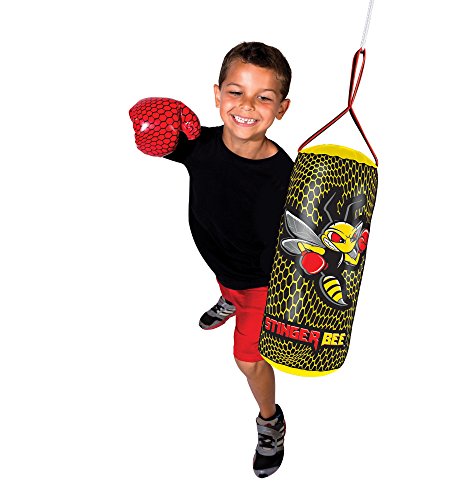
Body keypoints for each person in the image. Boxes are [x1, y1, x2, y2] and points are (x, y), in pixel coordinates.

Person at [129, 41, 293, 478]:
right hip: (221, 264)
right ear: (217, 95)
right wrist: (159, 120)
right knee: (227, 281)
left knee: (248, 361)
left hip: (263, 284)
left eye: (264, 97)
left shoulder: (287, 176)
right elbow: (152, 138)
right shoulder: (198, 143)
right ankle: (229, 301)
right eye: (236, 92)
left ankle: (270, 421)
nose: (247, 105)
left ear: (282, 108)